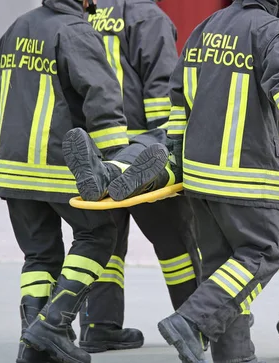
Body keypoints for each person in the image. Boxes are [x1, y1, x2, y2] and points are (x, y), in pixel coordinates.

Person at [149, 0, 279, 362]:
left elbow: (180, 95)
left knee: (223, 268)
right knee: (262, 252)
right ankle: (191, 321)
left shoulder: (207, 26)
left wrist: (176, 151)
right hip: (245, 174)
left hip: (199, 175)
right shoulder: (271, 30)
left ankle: (234, 355)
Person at [0, 0, 131, 362]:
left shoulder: (17, 27)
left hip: (14, 169)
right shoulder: (75, 31)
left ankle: (33, 344)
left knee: (39, 254)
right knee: (99, 235)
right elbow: (100, 96)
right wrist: (117, 161)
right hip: (59, 168)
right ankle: (53, 325)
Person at [67, 0, 202, 353]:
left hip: (95, 151)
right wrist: (167, 143)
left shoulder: (80, 15)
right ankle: (196, 325)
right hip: (144, 152)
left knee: (106, 243)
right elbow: (163, 87)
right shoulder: (147, 16)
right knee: (175, 242)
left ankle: (99, 326)